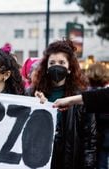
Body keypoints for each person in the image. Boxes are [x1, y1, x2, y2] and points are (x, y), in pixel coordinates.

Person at [28, 39, 97, 169]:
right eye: (52, 63)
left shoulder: (81, 97)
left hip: (69, 160)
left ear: (69, 68)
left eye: (61, 62)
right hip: (38, 159)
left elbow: (90, 139)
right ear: (46, 68)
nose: (56, 66)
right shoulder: (32, 93)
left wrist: (89, 165)